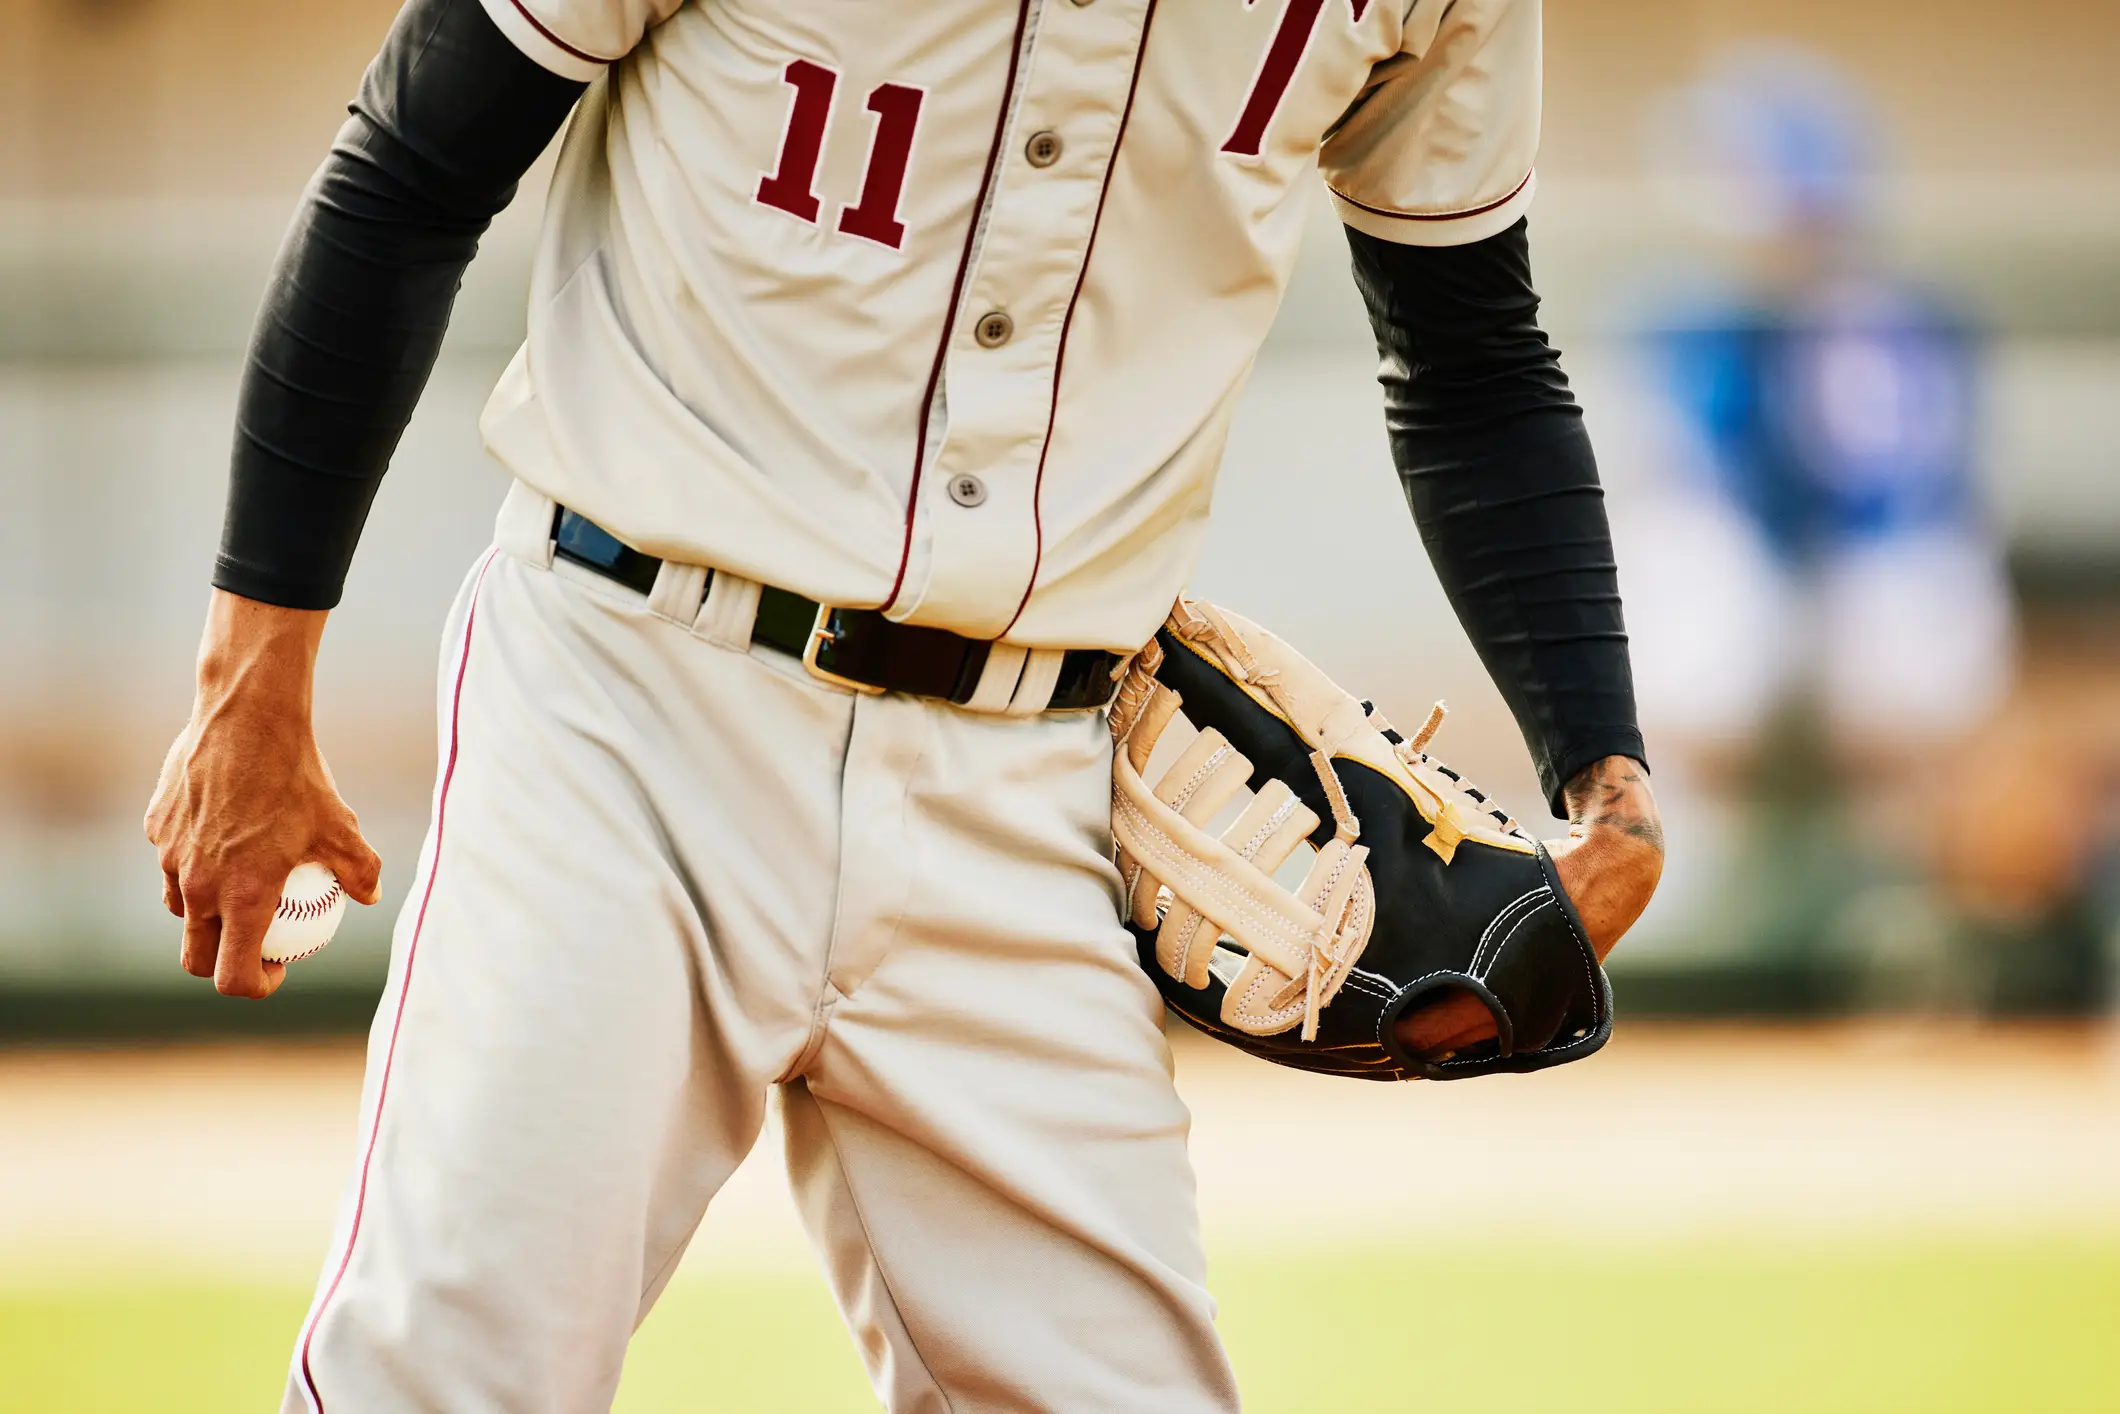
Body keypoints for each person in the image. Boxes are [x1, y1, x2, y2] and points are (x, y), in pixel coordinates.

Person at [143, 0, 1663, 1407]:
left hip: (1030, 786)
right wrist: (250, 681)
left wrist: (1605, 773)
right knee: (453, 1371)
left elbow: (1472, 357)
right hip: (629, 705)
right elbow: (409, 169)